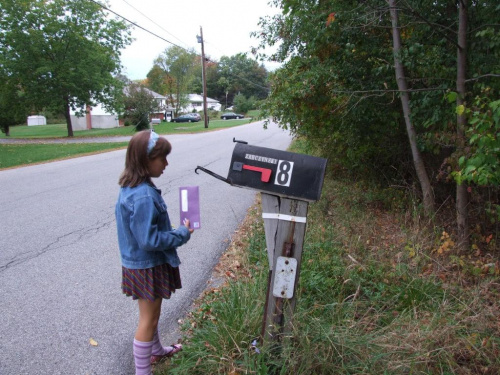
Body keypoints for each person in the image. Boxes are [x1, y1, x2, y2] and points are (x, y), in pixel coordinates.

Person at [115, 130, 194, 375]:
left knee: (153, 314)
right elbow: (149, 240)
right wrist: (181, 233)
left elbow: (144, 231)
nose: (167, 164)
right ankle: (142, 371)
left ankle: (157, 350)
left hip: (142, 264)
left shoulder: (135, 187)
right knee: (147, 320)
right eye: (163, 158)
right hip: (147, 266)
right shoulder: (143, 196)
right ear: (145, 160)